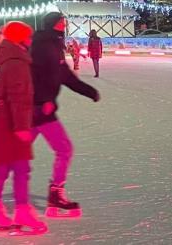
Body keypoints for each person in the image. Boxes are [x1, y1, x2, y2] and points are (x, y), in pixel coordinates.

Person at [31, 13, 100, 218]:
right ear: (53, 25)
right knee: (63, 149)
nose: (65, 25)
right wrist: (43, 101)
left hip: (42, 108)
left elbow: (65, 76)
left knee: (20, 148)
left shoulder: (53, 45)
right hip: (40, 108)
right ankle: (55, 193)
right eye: (62, 22)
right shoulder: (43, 46)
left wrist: (89, 91)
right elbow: (34, 75)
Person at [0, 21, 47, 234]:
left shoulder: (3, 58)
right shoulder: (16, 62)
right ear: (19, 38)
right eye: (27, 36)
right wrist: (21, 127)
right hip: (11, 123)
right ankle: (22, 211)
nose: (30, 40)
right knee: (20, 168)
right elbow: (18, 97)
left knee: (1, 166)